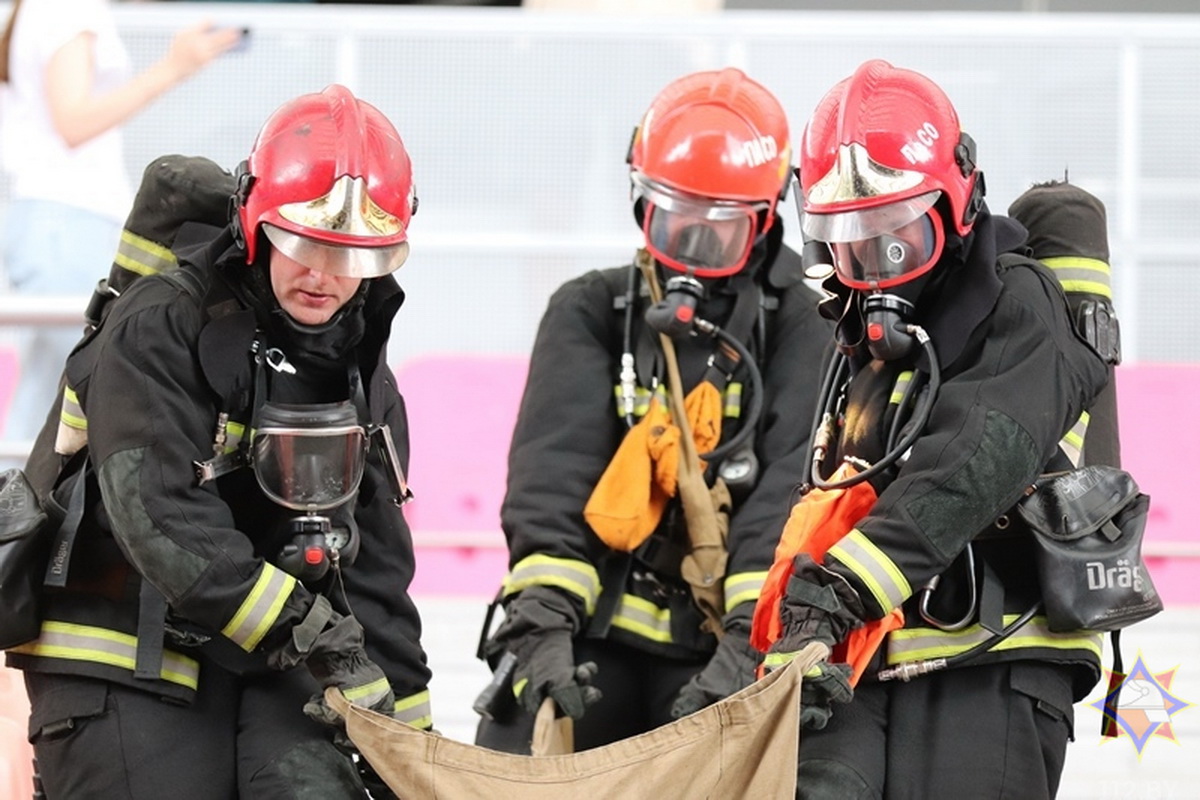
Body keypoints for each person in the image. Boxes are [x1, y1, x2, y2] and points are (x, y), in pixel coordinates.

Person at [6, 85, 432, 798]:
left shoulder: (358, 361)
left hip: (273, 653)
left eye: (352, 256)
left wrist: (411, 745)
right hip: (121, 647)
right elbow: (161, 516)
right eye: (306, 244)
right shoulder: (159, 322)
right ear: (259, 222)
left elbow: (378, 562)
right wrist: (312, 631)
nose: (325, 277)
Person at [753, 59, 1112, 798]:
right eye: (849, 246)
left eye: (896, 240)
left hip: (995, 659)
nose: (875, 271)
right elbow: (824, 501)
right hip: (875, 658)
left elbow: (977, 457)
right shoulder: (866, 349)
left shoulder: (1021, 305)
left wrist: (836, 593)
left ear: (958, 207)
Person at [474, 67, 832, 753]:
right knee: (514, 760)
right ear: (640, 202)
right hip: (593, 628)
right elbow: (553, 474)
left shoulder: (805, 326)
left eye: (717, 225)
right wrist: (543, 624)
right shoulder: (592, 310)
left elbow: (786, 497)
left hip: (720, 640)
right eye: (673, 215)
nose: (691, 242)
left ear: (763, 222)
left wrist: (744, 654)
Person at [0, 0, 242, 446]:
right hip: (65, 219)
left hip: (64, 219)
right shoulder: (65, 7)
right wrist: (174, 67)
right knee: (65, 386)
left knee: (54, 386)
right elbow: (72, 121)